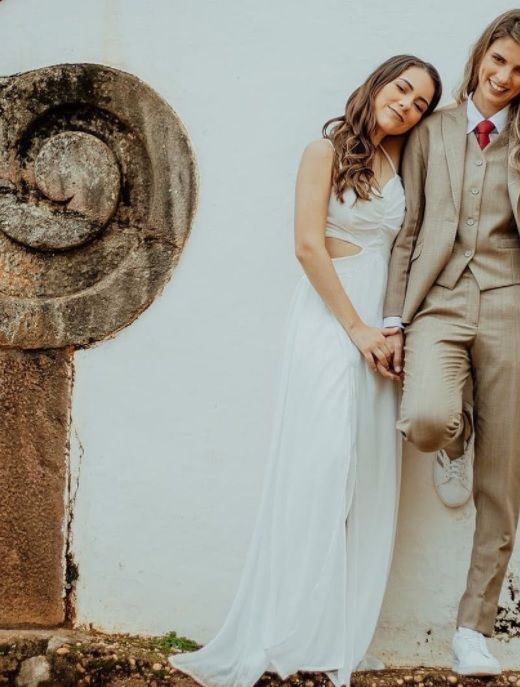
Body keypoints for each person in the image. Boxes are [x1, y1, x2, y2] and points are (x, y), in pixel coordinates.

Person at [169, 55, 442, 687]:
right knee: (320, 464)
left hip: (384, 323)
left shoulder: (403, 159)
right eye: (402, 89)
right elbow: (307, 246)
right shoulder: (322, 152)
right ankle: (285, 628)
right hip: (332, 316)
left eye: (421, 103)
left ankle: (335, 634)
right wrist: (355, 330)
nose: (408, 105)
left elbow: (467, 124)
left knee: (365, 471)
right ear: (378, 84)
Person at [380, 9, 520, 676]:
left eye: (519, 72)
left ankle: (472, 627)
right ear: (479, 55)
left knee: (501, 481)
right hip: (439, 303)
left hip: (513, 311)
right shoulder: (431, 130)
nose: (502, 78)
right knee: (422, 418)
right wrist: (392, 318)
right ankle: (456, 432)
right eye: (496, 61)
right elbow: (408, 230)